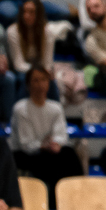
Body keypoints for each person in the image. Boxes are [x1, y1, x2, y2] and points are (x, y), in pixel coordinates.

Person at [10, 65, 82, 201]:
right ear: (28, 85)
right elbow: (25, 144)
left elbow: (61, 135)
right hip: (24, 155)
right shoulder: (20, 109)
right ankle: (53, 201)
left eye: (43, 80)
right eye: (35, 80)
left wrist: (55, 144)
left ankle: (77, 197)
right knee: (50, 162)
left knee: (69, 154)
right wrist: (42, 146)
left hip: (48, 152)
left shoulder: (56, 108)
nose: (40, 84)